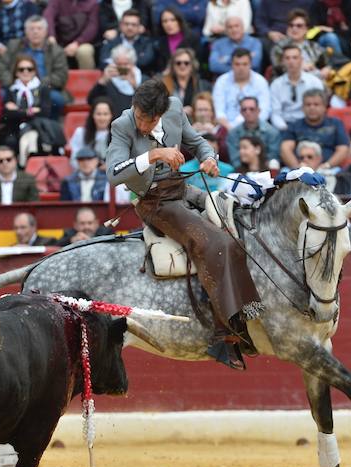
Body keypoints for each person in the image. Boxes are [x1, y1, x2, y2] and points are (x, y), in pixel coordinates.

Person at [106, 78, 262, 370]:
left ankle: (245, 317)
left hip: (181, 189)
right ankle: (222, 334)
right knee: (215, 242)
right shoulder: (122, 125)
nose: (139, 122)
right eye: (137, 114)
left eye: (145, 119)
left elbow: (197, 142)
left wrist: (209, 158)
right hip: (154, 202)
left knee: (238, 227)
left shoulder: (175, 109)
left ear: (159, 115)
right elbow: (114, 174)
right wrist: (152, 154)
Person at [0, 16, 68, 119]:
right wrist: (15, 82)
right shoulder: (14, 45)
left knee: (56, 99)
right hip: (16, 86)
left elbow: (60, 76)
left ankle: (50, 126)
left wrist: (38, 85)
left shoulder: (56, 51)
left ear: (46, 32)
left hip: (44, 88)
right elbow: (2, 68)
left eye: (39, 28)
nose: (35, 32)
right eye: (31, 29)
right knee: (1, 94)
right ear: (26, 31)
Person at [2, 55, 53, 165]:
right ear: (16, 72)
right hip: (14, 128)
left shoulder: (43, 89)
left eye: (29, 69)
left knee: (34, 141)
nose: (25, 72)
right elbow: (6, 115)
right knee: (10, 142)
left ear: (34, 71)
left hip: (36, 128)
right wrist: (29, 111)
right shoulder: (11, 90)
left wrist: (18, 111)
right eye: (21, 69)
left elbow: (45, 112)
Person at [279, 89, 349, 169]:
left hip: (329, 169)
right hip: (299, 169)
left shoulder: (335, 124)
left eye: (316, 104)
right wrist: (297, 168)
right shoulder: (294, 125)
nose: (312, 108)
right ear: (302, 108)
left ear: (325, 107)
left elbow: (343, 149)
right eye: (308, 105)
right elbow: (285, 149)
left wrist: (327, 166)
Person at [212, 48, 272, 130]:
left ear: (250, 64)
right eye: (237, 64)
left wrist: (249, 126)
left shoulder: (260, 81)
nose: (241, 68)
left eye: (244, 64)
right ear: (231, 65)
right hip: (226, 127)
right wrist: (231, 129)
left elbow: (264, 111)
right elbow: (219, 111)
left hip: (254, 127)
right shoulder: (222, 81)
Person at [269, 45, 324, 132]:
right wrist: (285, 129)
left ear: (301, 60)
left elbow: (320, 108)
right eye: (287, 58)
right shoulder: (276, 85)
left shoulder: (314, 82)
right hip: (285, 125)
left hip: (309, 124)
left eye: (295, 58)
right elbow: (275, 113)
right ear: (282, 61)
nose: (291, 61)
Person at [87, 45, 147, 117]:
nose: (122, 68)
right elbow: (91, 101)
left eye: (125, 64)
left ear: (132, 64)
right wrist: (102, 81)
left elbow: (148, 104)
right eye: (118, 64)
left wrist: (135, 86)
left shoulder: (144, 80)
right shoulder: (108, 82)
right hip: (113, 124)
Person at [272, 10, 332, 78]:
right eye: (291, 25)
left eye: (299, 26)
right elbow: (278, 68)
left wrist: (327, 68)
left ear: (307, 29)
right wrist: (299, 67)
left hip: (314, 82)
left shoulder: (314, 47)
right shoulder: (279, 47)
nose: (294, 28)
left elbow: (328, 62)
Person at [42, 0, 98, 70]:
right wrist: (51, 36)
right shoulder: (56, 1)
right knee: (46, 48)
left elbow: (92, 27)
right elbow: (48, 16)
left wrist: (77, 43)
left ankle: (88, 79)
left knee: (84, 52)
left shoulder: (92, 3)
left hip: (82, 43)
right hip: (59, 41)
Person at [226, 97, 281, 168]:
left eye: (251, 109)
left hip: (266, 172)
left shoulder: (272, 132)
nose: (248, 112)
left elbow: (273, 158)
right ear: (240, 112)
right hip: (241, 173)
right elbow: (235, 160)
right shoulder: (233, 134)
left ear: (258, 110)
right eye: (244, 109)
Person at [99, 9, 156, 74]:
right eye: (126, 24)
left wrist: (118, 66)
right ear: (120, 25)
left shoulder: (147, 43)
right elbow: (103, 61)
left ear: (140, 27)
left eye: (133, 24)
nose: (129, 27)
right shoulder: (111, 41)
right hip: (113, 77)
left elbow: (144, 63)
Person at [151, 7, 200, 74]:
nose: (168, 24)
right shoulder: (160, 42)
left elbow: (198, 64)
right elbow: (159, 68)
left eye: (173, 20)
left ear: (180, 21)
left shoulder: (193, 39)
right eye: (165, 21)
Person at [163, 48, 211, 114]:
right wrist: (180, 111)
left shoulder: (203, 85)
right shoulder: (163, 84)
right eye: (178, 63)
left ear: (192, 65)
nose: (182, 66)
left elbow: (208, 108)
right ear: (173, 66)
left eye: (186, 63)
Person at [68, 98, 112, 170]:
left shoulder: (118, 135)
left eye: (105, 114)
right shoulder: (81, 133)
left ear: (111, 115)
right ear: (92, 115)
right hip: (86, 174)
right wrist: (90, 167)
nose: (102, 118)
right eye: (98, 114)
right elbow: (74, 159)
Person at [189, 92, 230, 163]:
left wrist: (214, 134)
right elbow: (184, 155)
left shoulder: (221, 130)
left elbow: (225, 154)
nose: (203, 114)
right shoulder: (188, 129)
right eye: (199, 110)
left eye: (206, 110)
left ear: (212, 112)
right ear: (194, 112)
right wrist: (191, 133)